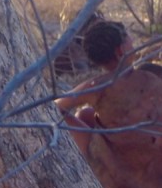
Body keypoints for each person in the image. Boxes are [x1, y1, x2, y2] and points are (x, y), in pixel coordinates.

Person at [55, 19, 133, 156]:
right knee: (85, 114)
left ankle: (97, 154)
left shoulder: (95, 87)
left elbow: (56, 106)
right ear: (121, 51)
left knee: (83, 114)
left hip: (121, 151)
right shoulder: (145, 78)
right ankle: (99, 155)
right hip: (136, 152)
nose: (132, 41)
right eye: (128, 37)